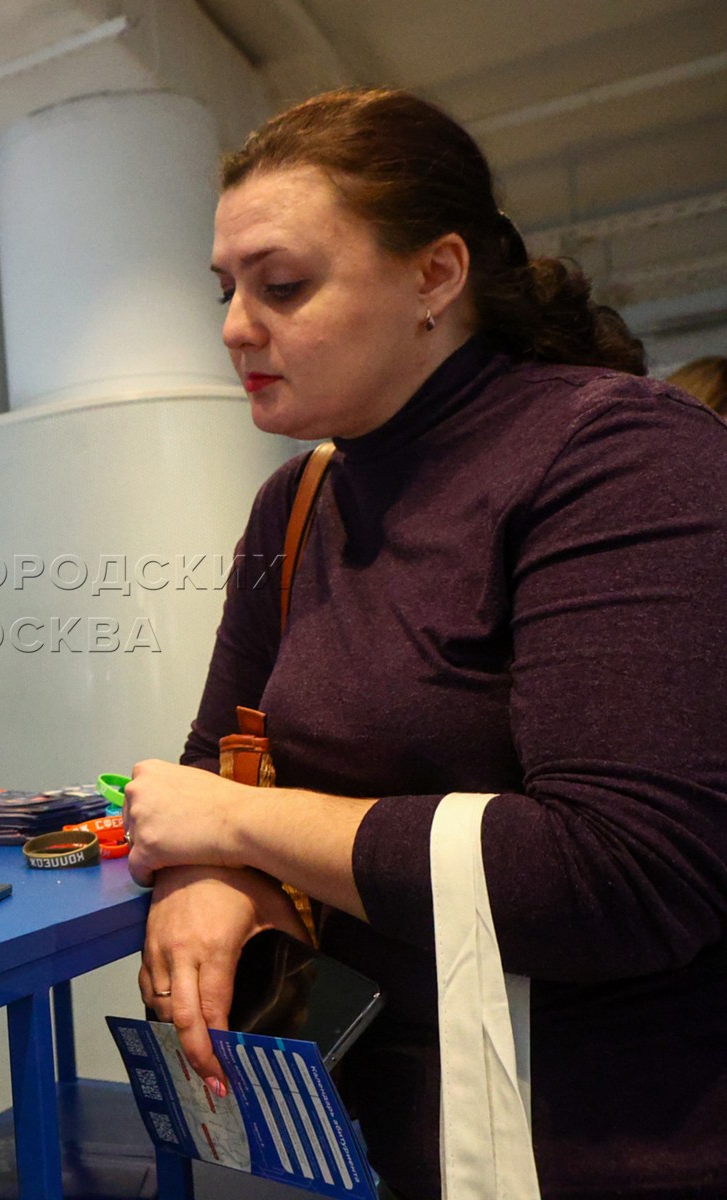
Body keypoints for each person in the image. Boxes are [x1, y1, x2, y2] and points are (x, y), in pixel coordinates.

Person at [120, 89, 727, 1198]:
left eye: (282, 284)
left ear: (435, 277)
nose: (231, 325)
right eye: (225, 289)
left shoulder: (619, 455)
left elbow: (621, 876)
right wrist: (209, 873)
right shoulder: (296, 501)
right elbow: (216, 765)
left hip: (594, 1143)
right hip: (367, 1133)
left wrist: (240, 824)